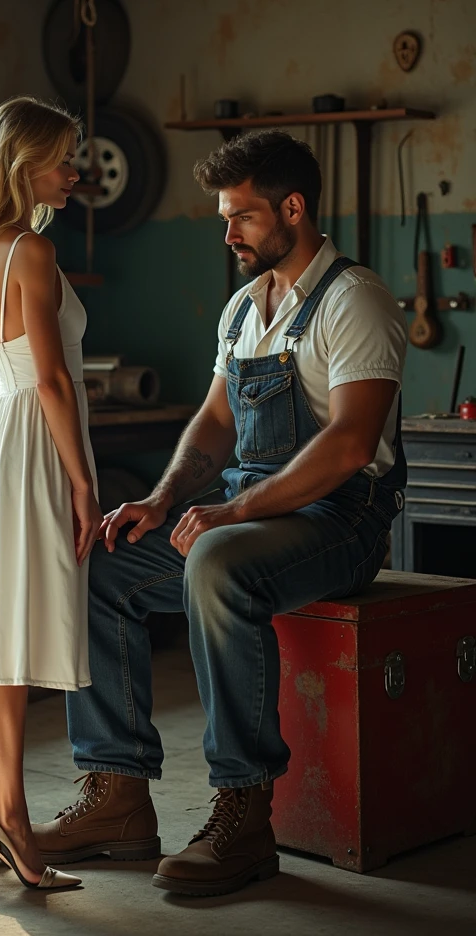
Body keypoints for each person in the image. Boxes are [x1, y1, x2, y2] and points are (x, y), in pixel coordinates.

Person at [33, 129, 408, 898]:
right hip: (251, 508)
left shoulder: (354, 299)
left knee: (215, 558)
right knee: (100, 561)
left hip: (343, 518)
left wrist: (231, 510)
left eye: (240, 216)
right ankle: (118, 797)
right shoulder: (243, 309)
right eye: (223, 218)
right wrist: (164, 497)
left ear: (293, 208)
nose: (229, 233)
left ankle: (243, 809)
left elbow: (348, 444)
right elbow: (213, 423)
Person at [0, 96, 102, 892]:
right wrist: (83, 482)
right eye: (64, 158)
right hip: (32, 436)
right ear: (23, 164)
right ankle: (16, 822)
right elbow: (56, 380)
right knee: (10, 638)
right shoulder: (30, 248)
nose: (76, 172)